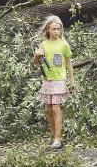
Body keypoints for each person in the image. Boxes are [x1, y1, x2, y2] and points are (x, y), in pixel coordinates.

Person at [33, 15, 75, 150]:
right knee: (48, 109)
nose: (57, 31)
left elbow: (69, 64)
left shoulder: (64, 44)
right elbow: (36, 64)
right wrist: (36, 56)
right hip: (47, 80)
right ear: (48, 30)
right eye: (54, 29)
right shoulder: (43, 45)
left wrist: (72, 80)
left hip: (59, 79)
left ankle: (58, 139)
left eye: (59, 29)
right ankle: (54, 136)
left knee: (56, 108)